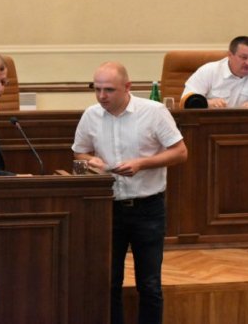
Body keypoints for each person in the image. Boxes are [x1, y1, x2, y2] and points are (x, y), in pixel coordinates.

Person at [72, 62, 188, 324]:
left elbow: (181, 152)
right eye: (97, 89)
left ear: (127, 87)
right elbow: (79, 152)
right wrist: (91, 162)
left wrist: (141, 164)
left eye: (109, 90)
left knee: (149, 284)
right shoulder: (91, 115)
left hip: (148, 208)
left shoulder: (154, 112)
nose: (102, 96)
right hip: (108, 208)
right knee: (109, 282)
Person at [181, 35, 248, 108]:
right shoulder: (209, 71)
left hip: (244, 125)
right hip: (210, 124)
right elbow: (185, 101)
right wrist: (208, 103)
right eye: (244, 57)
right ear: (230, 55)